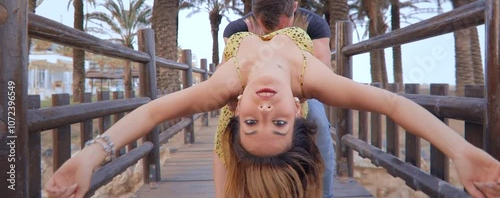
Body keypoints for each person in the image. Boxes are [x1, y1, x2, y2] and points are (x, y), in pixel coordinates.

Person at [46, 25, 500, 198]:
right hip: (240, 136)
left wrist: (89, 156)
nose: (264, 108)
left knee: (308, 135)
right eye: (278, 122)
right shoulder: (309, 82)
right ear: (295, 108)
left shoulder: (225, 90)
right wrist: (459, 149)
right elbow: (390, 102)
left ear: (236, 106)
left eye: (255, 119)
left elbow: (151, 114)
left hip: (233, 131)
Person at [214, 0, 336, 198]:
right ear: (257, 16)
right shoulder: (236, 30)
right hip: (248, 89)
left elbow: (324, 71)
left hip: (302, 87)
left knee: (317, 118)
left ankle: (324, 192)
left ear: (295, 9)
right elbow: (227, 68)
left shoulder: (314, 25)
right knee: (227, 125)